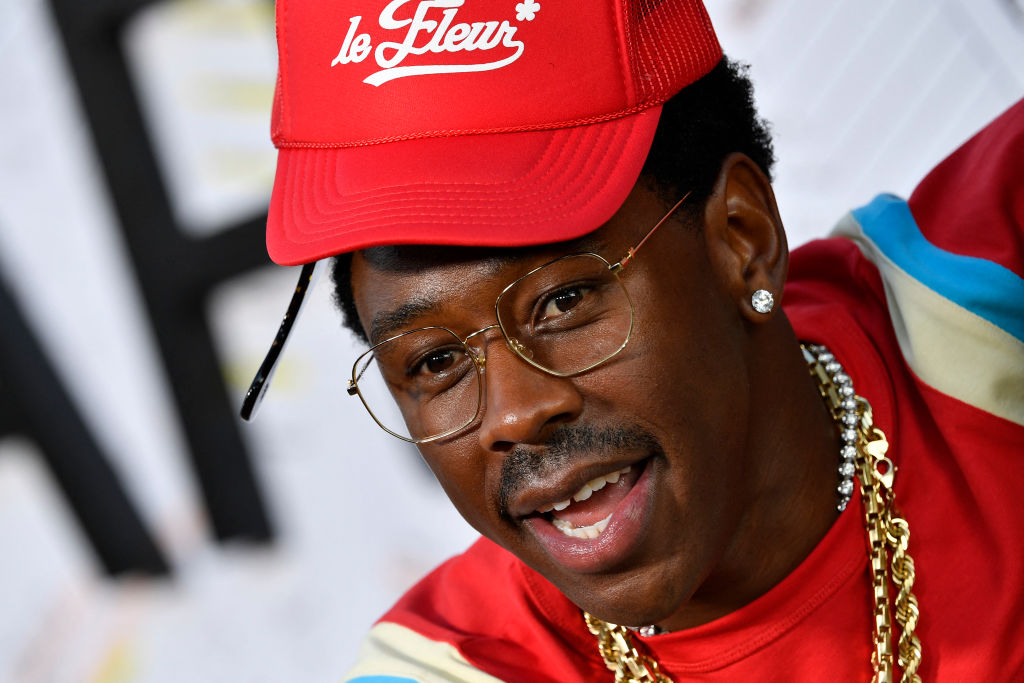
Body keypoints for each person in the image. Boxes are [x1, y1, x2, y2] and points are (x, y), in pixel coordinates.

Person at [242, 0, 1024, 680]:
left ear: (742, 238)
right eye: (437, 361)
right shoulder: (457, 665)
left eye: (563, 300)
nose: (513, 413)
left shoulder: (986, 291)